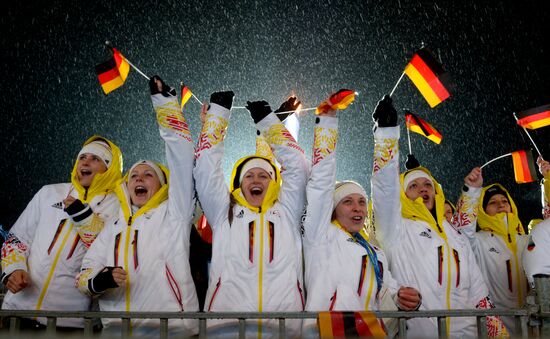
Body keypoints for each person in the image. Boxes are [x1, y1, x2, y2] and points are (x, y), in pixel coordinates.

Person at [370, 95, 507, 338]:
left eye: (428, 185)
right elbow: (384, 189)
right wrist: (387, 134)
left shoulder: (453, 233)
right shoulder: (396, 227)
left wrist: (472, 192)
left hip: (467, 334)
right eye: (414, 186)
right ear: (403, 195)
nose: (423, 189)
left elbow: (477, 291)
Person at [77, 76, 199, 336]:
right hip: (116, 331)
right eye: (134, 176)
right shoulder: (113, 224)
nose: (139, 179)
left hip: (169, 329)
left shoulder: (174, 213)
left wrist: (165, 105)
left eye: (148, 175)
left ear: (162, 184)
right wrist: (100, 280)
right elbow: (85, 271)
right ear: (127, 185)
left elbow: (182, 161)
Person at [194, 92, 308, 337]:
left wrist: (268, 122)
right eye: (249, 175)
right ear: (239, 182)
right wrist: (217, 116)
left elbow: (298, 167)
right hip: (226, 329)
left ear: (274, 182)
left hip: (284, 328)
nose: (256, 179)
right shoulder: (225, 212)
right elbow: (205, 170)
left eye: (263, 175)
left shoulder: (287, 210)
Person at [302, 103, 420, 337]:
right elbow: (320, 187)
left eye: (362, 202)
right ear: (334, 209)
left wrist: (404, 298)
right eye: (348, 202)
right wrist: (327, 124)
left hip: (367, 332)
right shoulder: (320, 236)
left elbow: (386, 291)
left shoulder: (375, 251)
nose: (357, 208)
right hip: (324, 332)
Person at [1, 136, 123, 330]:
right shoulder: (49, 193)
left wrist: (82, 216)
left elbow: (107, 252)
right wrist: (13, 269)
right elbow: (16, 239)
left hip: (70, 322)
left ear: (110, 168)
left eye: (96, 158)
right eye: (83, 156)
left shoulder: (119, 206)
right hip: (17, 311)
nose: (85, 161)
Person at [455, 175, 529, 334]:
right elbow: (461, 232)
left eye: (504, 201)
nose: (501, 205)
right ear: (482, 210)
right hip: (499, 326)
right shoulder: (478, 241)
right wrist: (472, 192)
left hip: (533, 323)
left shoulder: (528, 240)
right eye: (492, 203)